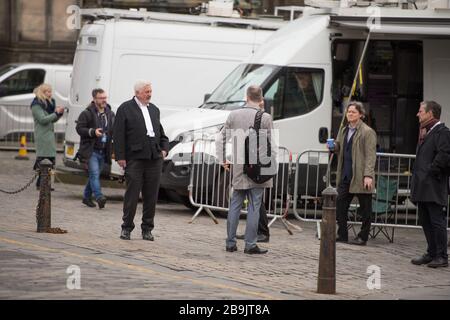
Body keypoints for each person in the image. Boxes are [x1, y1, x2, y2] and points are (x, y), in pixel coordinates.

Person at [216, 85, 276, 254]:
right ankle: (250, 244)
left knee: (235, 204)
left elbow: (220, 139)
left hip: (238, 165)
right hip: (257, 168)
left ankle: (230, 243)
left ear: (246, 96)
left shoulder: (234, 114)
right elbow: (271, 144)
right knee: (254, 206)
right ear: (261, 98)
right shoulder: (265, 117)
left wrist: (222, 159)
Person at [113, 81, 169, 241]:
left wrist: (164, 149)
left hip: (154, 159)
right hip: (135, 158)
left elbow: (162, 133)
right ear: (137, 93)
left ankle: (147, 229)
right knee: (132, 195)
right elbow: (118, 135)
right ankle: (126, 227)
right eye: (146, 92)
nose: (149, 94)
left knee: (151, 196)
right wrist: (120, 156)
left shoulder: (154, 110)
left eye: (150, 91)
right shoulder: (125, 108)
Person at [328, 101, 377, 246]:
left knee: (365, 209)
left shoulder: (368, 132)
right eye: (348, 111)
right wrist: (334, 146)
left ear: (361, 115)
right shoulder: (344, 130)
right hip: (346, 175)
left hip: (361, 176)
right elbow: (340, 148)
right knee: (340, 205)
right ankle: (342, 234)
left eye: (353, 112)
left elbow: (370, 155)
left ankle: (363, 237)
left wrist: (368, 175)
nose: (350, 114)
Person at [410, 101, 449, 268]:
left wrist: (430, 171)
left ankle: (442, 256)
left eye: (420, 111)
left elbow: (445, 155)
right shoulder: (426, 131)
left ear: (430, 113)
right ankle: (431, 252)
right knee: (425, 220)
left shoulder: (443, 132)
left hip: (433, 185)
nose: (418, 114)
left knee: (436, 221)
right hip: (423, 185)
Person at [236, 98, 270, 243]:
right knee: (254, 200)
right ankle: (252, 232)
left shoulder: (263, 117)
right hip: (253, 162)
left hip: (259, 163)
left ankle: (262, 232)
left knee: (256, 201)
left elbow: (269, 142)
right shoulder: (256, 116)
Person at [76, 88, 115, 209]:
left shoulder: (110, 113)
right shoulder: (86, 113)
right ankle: (99, 197)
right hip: (91, 150)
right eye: (101, 98)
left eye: (105, 98)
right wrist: (92, 132)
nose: (104, 100)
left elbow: (113, 130)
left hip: (104, 151)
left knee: (95, 175)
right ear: (94, 99)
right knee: (94, 174)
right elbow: (79, 129)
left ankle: (86, 197)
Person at [31, 83, 65, 190]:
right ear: (42, 92)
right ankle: (42, 184)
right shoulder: (36, 105)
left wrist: (59, 114)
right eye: (48, 92)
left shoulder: (49, 104)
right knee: (44, 159)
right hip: (42, 135)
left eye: (50, 91)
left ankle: (42, 184)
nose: (50, 94)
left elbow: (52, 119)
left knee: (50, 160)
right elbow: (43, 120)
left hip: (49, 135)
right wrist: (55, 113)